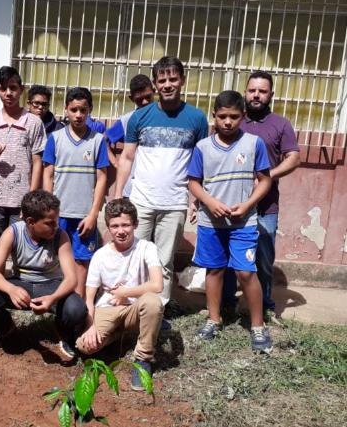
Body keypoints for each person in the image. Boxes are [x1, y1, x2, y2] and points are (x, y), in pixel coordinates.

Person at [114, 56, 209, 306]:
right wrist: (117, 195)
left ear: (182, 81)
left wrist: (194, 201)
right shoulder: (140, 117)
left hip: (174, 204)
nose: (167, 84)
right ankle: (132, 310)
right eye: (162, 80)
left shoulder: (197, 119)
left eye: (173, 79)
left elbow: (199, 165)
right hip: (141, 202)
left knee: (164, 262)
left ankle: (159, 311)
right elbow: (127, 157)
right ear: (155, 83)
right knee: (134, 258)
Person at [187, 90, 273, 353]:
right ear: (214, 116)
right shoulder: (202, 147)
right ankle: (214, 319)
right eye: (222, 116)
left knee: (246, 272)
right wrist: (210, 203)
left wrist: (247, 204)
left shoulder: (254, 144)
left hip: (244, 222)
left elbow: (265, 180)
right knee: (213, 270)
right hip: (210, 223)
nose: (227, 122)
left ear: (242, 117)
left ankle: (258, 326)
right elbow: (193, 182)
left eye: (234, 117)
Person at [221, 71, 301, 322]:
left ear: (270, 95)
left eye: (262, 91)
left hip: (266, 206)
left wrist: (267, 175)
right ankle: (227, 304)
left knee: (264, 258)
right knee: (229, 257)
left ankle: (265, 305)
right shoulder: (234, 121)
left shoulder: (280, 124)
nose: (256, 95)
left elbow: (294, 158)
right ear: (245, 92)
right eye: (252, 90)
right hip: (232, 204)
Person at [0, 190, 88, 359]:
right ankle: (4, 327)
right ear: (30, 222)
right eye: (49, 223)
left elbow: (72, 278)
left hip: (51, 286)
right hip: (21, 284)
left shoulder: (60, 236)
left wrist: (53, 298)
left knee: (77, 309)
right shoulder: (13, 233)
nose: (55, 227)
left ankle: (63, 331)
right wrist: (11, 289)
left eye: (56, 222)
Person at [77, 198, 164, 391]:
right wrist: (90, 326)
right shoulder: (100, 255)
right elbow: (89, 297)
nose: (121, 231)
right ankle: (115, 336)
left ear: (135, 225)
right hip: (107, 309)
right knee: (85, 346)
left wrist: (126, 292)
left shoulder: (146, 248)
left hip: (135, 309)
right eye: (115, 226)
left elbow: (157, 284)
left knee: (152, 302)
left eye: (125, 225)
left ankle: (143, 359)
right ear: (108, 227)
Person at [43, 87, 109, 298]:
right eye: (74, 110)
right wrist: (48, 211)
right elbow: (48, 175)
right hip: (59, 214)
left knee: (82, 260)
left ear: (90, 109)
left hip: (84, 216)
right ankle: (59, 300)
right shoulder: (55, 138)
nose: (78, 115)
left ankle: (79, 304)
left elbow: (102, 179)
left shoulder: (98, 140)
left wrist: (93, 214)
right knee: (56, 258)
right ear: (66, 109)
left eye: (83, 110)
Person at [0, 66, 46, 252]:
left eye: (13, 88)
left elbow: (37, 162)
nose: (8, 93)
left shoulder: (33, 122)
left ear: (21, 89)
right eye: (3, 88)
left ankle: (19, 281)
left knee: (22, 245)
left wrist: (31, 198)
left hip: (21, 199)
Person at [105, 74, 155, 196]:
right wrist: (117, 164)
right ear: (131, 98)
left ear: (154, 91)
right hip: (131, 190)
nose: (144, 102)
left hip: (157, 190)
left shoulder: (165, 117)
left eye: (148, 97)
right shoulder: (127, 120)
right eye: (139, 99)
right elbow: (104, 140)